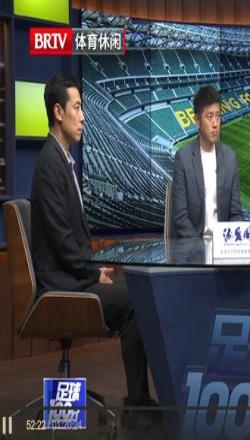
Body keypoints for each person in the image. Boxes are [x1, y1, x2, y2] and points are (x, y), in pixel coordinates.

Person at [31, 73, 160, 430]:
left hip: (70, 277)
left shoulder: (61, 160)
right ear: (58, 112)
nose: (83, 116)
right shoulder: (50, 164)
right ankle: (137, 404)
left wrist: (92, 271)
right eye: (76, 108)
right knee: (136, 301)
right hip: (59, 288)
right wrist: (92, 273)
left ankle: (140, 399)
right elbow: (61, 241)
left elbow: (68, 242)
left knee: (135, 292)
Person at [172, 85, 243, 238]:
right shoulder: (183, 158)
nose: (215, 124)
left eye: (218, 116)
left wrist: (227, 243)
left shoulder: (230, 157)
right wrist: (199, 248)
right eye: (210, 117)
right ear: (197, 120)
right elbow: (180, 217)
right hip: (194, 247)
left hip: (223, 246)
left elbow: (236, 213)